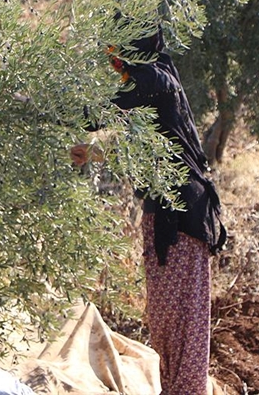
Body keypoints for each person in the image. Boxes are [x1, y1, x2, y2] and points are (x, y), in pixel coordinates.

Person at [71, 22, 226, 395]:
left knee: (182, 327)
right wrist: (94, 153)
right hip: (167, 215)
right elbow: (148, 150)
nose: (112, 63)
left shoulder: (153, 78)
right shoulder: (154, 82)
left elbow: (95, 115)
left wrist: (48, 105)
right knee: (165, 322)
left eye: (114, 52)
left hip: (183, 217)